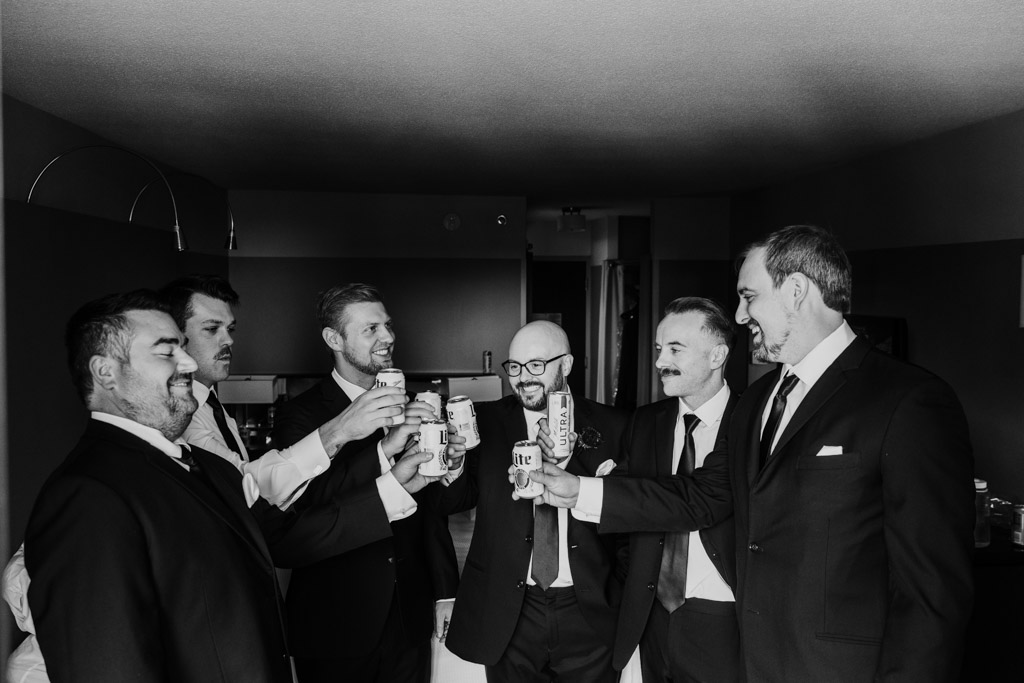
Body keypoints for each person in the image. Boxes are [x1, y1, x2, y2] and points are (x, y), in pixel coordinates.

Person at [536, 225, 975, 682]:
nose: (740, 315)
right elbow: (702, 496)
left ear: (796, 291)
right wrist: (576, 490)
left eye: (749, 297)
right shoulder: (757, 401)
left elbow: (932, 593)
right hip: (752, 662)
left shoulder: (907, 400)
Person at [22, 290, 438, 682]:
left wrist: (396, 486)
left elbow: (287, 538)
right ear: (105, 373)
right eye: (167, 351)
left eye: (183, 348)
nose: (188, 363)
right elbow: (109, 666)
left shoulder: (210, 467)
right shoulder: (87, 495)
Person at [543, 297, 740, 682]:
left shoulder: (750, 422)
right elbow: (630, 504)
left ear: (717, 355)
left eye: (675, 349)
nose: (660, 361)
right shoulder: (647, 421)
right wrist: (564, 463)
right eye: (659, 348)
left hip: (725, 618)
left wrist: (582, 490)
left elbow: (692, 500)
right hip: (651, 616)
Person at [272, 283, 460, 683]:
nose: (388, 337)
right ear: (334, 339)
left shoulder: (418, 405)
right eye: (371, 329)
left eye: (387, 325)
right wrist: (385, 452)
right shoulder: (302, 415)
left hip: (409, 616)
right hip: (336, 621)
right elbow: (304, 510)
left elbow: (432, 511)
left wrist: (446, 590)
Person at [436, 320, 628, 682]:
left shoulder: (615, 424)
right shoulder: (484, 422)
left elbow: (628, 515)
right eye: (515, 367)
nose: (523, 377)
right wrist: (454, 464)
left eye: (536, 365)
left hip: (590, 611)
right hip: (508, 612)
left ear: (566, 365)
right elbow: (454, 502)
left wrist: (619, 589)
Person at [161, 275, 413, 509]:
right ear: (174, 336)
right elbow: (248, 487)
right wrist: (342, 431)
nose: (229, 340)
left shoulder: (212, 406)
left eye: (230, 329)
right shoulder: (177, 417)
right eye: (211, 329)